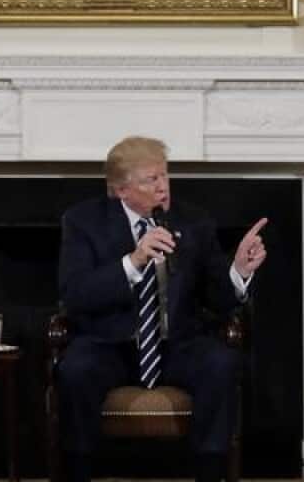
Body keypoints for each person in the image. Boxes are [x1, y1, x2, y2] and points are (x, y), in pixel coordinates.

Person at [55, 135, 267, 482]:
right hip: (110, 344)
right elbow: (76, 294)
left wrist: (240, 271)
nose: (162, 187)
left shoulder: (193, 220)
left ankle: (211, 473)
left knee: (221, 362)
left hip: (177, 344)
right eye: (151, 180)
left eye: (164, 176)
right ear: (121, 190)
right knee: (74, 371)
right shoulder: (83, 222)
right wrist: (134, 261)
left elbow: (220, 299)